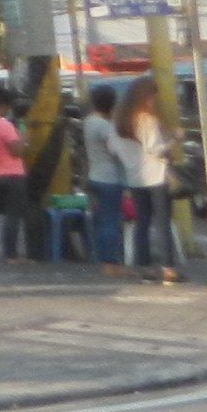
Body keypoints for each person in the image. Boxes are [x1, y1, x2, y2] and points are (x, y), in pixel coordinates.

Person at [114, 75, 183, 284]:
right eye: (153, 96)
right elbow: (155, 149)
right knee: (163, 223)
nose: (154, 101)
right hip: (156, 176)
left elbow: (116, 148)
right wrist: (175, 140)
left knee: (141, 223)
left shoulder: (121, 120)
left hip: (135, 177)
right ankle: (168, 269)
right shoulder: (147, 120)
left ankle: (144, 268)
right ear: (146, 97)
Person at [0, 81, 36, 265]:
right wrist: (25, 138)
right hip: (13, 174)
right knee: (14, 216)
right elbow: (16, 151)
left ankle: (11, 252)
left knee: (10, 215)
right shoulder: (5, 126)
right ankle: (11, 254)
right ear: (4, 105)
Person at [81, 80, 132, 277]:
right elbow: (116, 151)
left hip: (94, 176)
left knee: (100, 220)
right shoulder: (105, 126)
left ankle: (102, 259)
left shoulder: (88, 122)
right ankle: (111, 264)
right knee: (111, 222)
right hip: (110, 179)